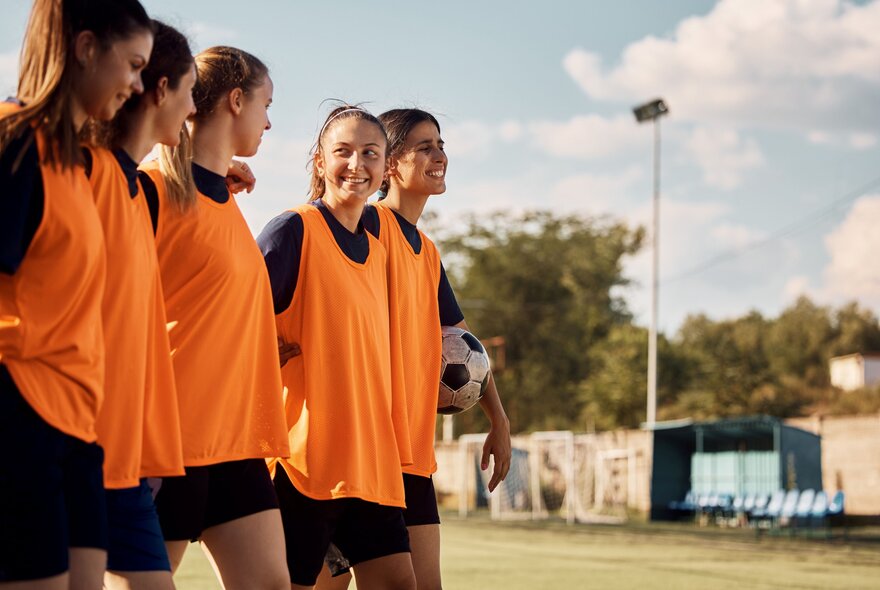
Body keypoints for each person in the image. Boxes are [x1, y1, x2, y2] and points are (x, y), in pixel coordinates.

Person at [319, 108, 514, 590]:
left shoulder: (426, 252)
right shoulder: (363, 225)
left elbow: (463, 344)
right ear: (390, 164)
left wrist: (499, 418)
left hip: (409, 453)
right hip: (353, 452)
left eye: (441, 144)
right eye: (424, 146)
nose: (439, 155)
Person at [0, 0, 153, 588]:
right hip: (20, 414)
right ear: (87, 48)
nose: (136, 84)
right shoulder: (16, 141)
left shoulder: (73, 160)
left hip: (79, 428)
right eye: (132, 64)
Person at [139, 46, 290, 590]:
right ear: (234, 100)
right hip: (169, 439)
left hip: (235, 442)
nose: (269, 121)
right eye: (265, 104)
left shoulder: (224, 194)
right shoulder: (150, 188)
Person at [257, 105, 417, 590]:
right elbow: (234, 315)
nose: (356, 165)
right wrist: (263, 348)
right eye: (342, 151)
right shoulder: (294, 230)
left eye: (370, 153)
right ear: (319, 162)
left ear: (386, 167)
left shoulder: (379, 249)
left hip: (371, 464)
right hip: (305, 466)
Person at [80, 20, 199, 590]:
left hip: (127, 462)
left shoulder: (135, 190)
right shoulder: (88, 174)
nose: (193, 108)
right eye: (189, 91)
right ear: (160, 91)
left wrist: (149, 450)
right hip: (73, 444)